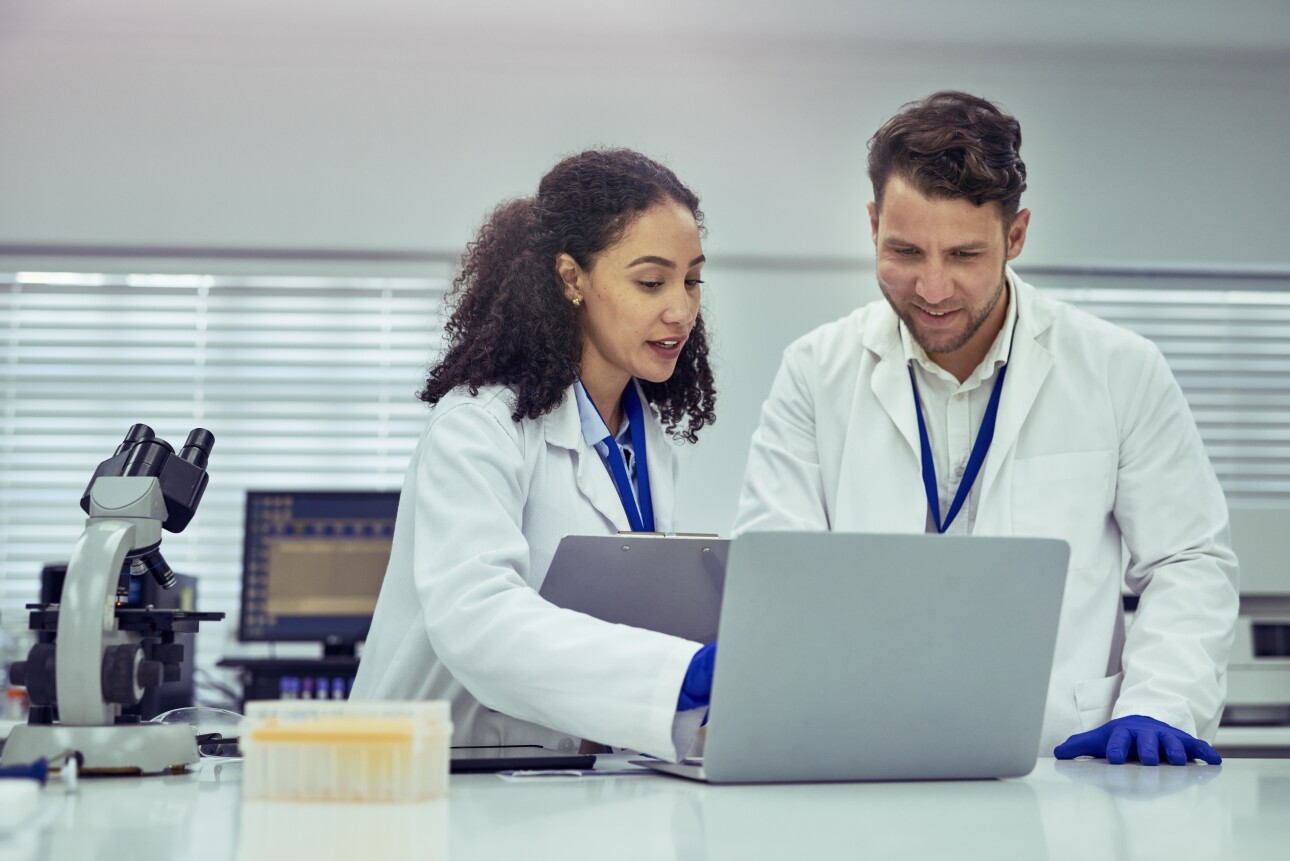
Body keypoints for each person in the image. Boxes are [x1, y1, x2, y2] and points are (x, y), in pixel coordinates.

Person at [733, 91, 1239, 766]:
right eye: (905, 250)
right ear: (872, 223)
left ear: (1017, 235)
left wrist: (1161, 702)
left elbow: (1187, 560)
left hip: (1062, 763)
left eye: (966, 255)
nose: (933, 288)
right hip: (863, 755)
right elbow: (778, 575)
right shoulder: (815, 371)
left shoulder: (1120, 370)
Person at [352, 149, 717, 760]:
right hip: (432, 779)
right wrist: (677, 676)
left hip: (552, 781)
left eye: (692, 279)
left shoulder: (645, 442)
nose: (680, 309)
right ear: (572, 278)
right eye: (651, 282)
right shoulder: (478, 427)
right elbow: (479, 622)